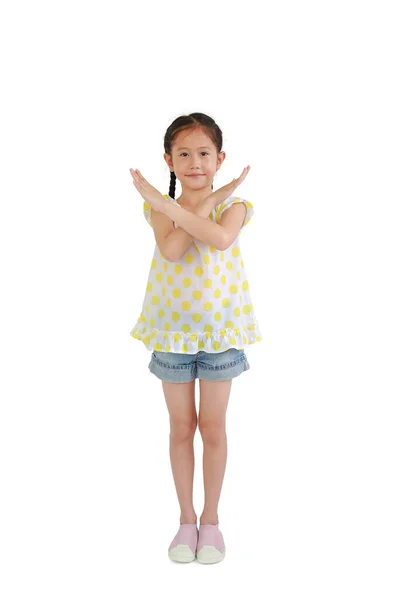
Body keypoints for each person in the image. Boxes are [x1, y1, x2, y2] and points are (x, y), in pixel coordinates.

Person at [129, 112, 263, 564]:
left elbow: (220, 239)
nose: (194, 162)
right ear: (168, 160)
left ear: (220, 158)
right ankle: (186, 519)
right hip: (171, 333)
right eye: (183, 154)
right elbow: (172, 248)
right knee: (181, 427)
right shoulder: (156, 210)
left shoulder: (236, 206)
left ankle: (213, 520)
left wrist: (183, 204)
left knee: (214, 427)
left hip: (221, 333)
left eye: (204, 153)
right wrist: (173, 206)